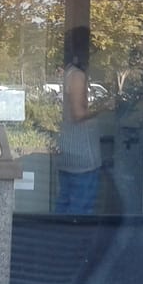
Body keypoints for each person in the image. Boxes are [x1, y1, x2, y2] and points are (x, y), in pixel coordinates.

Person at [55, 25, 102, 214]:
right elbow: (78, 114)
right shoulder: (77, 75)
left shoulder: (67, 72)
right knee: (80, 212)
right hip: (81, 155)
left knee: (64, 206)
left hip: (68, 149)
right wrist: (104, 107)